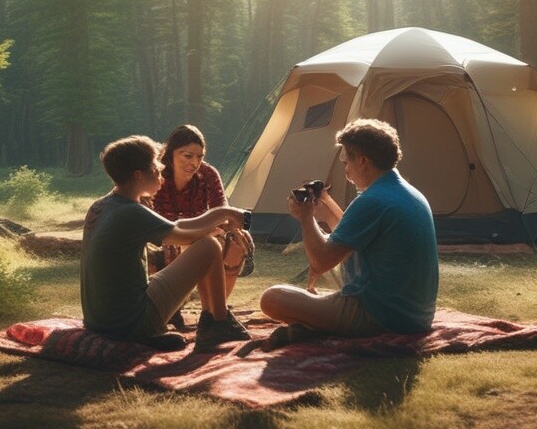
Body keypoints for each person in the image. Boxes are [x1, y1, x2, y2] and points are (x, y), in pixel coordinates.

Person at [258, 119, 438, 348]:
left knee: (272, 298)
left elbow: (321, 261)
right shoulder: (407, 193)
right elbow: (350, 237)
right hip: (415, 316)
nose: (346, 173)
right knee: (314, 294)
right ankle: (316, 322)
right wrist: (325, 207)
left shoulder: (372, 200)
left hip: (380, 316)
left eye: (346, 163)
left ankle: (317, 326)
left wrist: (306, 217)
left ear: (362, 161)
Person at [82, 135, 256, 351]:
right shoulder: (131, 212)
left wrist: (224, 214)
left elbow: (177, 225)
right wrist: (222, 218)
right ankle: (218, 323)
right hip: (130, 323)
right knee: (209, 246)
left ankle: (211, 321)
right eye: (155, 164)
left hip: (99, 321)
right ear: (138, 175)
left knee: (205, 242)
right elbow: (186, 236)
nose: (161, 167)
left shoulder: (102, 206)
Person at [148, 124, 249, 329]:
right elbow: (153, 222)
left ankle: (212, 311)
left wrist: (227, 228)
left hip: (203, 235)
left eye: (199, 156)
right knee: (175, 246)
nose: (194, 163)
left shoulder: (208, 174)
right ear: (171, 153)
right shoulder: (157, 176)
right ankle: (168, 309)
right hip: (164, 238)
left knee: (237, 240)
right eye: (187, 156)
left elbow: (222, 211)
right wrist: (200, 230)